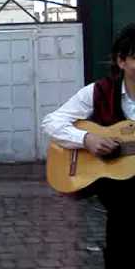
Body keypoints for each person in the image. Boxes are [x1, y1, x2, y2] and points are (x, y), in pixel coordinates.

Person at [42, 23, 135, 269]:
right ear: (121, 61)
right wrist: (87, 139)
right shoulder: (98, 91)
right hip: (117, 196)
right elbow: (51, 122)